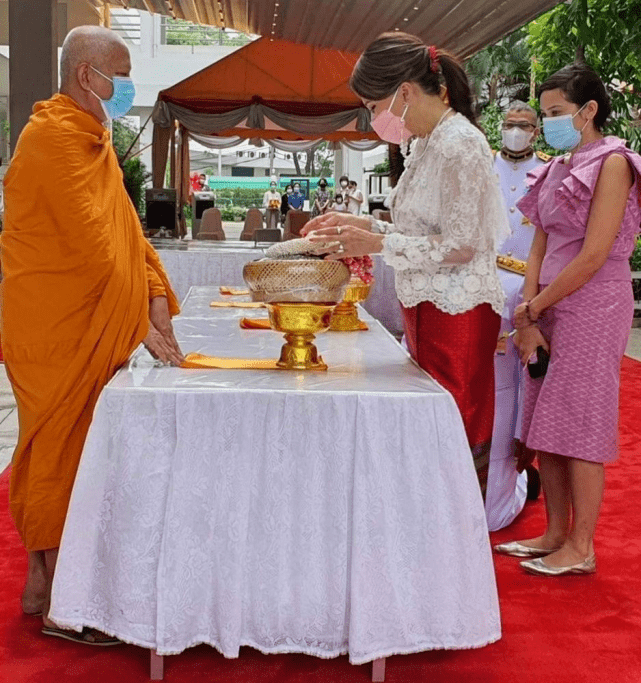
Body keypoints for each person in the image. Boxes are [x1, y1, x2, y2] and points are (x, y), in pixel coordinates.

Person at [1, 25, 183, 643]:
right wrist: (141, 312)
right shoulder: (50, 137)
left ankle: (44, 580)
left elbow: (128, 231)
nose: (127, 86)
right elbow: (96, 247)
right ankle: (63, 604)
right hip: (51, 324)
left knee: (74, 451)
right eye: (121, 72)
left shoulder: (92, 137)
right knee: (60, 453)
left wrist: (155, 290)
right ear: (87, 75)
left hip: (79, 319)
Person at [303, 32, 508, 496]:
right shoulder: (426, 143)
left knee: (452, 428)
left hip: (459, 309)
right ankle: (430, 526)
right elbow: (414, 224)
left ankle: (458, 537)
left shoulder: (461, 144)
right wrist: (354, 221)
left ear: (406, 93)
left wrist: (374, 241)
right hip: (426, 304)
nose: (372, 118)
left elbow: (461, 245)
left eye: (373, 106)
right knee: (427, 426)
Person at [495, 63, 641, 575]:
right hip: (547, 306)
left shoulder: (614, 162)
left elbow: (594, 253)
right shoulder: (557, 168)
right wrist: (528, 310)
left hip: (594, 304)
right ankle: (555, 532)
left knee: (578, 420)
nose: (547, 123)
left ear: (589, 111)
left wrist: (535, 306)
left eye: (556, 114)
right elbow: (539, 244)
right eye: (545, 113)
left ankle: (581, 546)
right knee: (543, 418)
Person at [486, 101, 548, 531]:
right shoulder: (481, 167)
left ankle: (518, 477)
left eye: (523, 126)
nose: (514, 132)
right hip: (481, 287)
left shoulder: (549, 172)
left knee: (523, 389)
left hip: (529, 291)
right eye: (509, 125)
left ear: (537, 131)